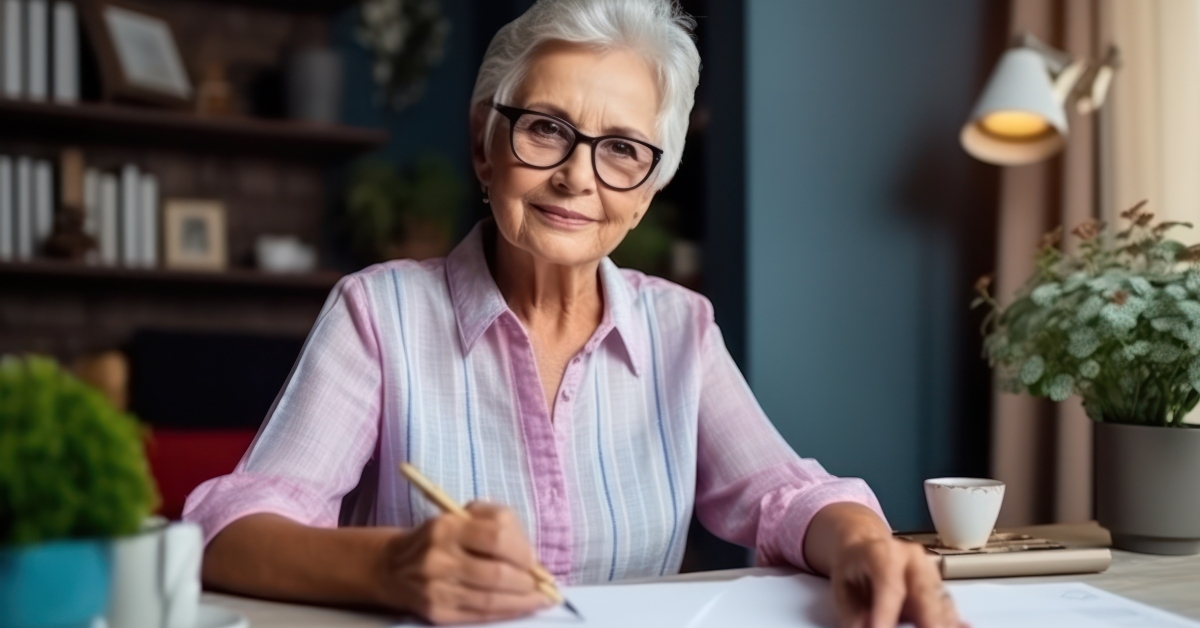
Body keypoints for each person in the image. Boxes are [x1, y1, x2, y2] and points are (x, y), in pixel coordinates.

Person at [185, 1, 960, 626]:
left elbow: (782, 496)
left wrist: (863, 541)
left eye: (622, 148)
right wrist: (393, 567)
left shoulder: (679, 328)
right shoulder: (378, 312)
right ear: (485, 146)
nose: (576, 177)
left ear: (649, 189)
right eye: (547, 129)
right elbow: (234, 532)